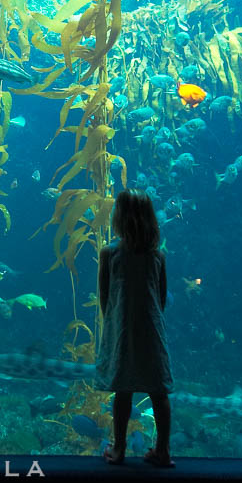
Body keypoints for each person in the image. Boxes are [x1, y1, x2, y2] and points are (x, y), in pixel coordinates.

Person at [96, 188, 175, 467]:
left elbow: (105, 298)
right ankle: (163, 450)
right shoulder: (158, 257)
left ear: (118, 218)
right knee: (158, 392)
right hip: (151, 332)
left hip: (122, 331)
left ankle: (119, 449)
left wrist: (116, 324)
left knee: (123, 391)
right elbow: (161, 297)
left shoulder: (109, 253)